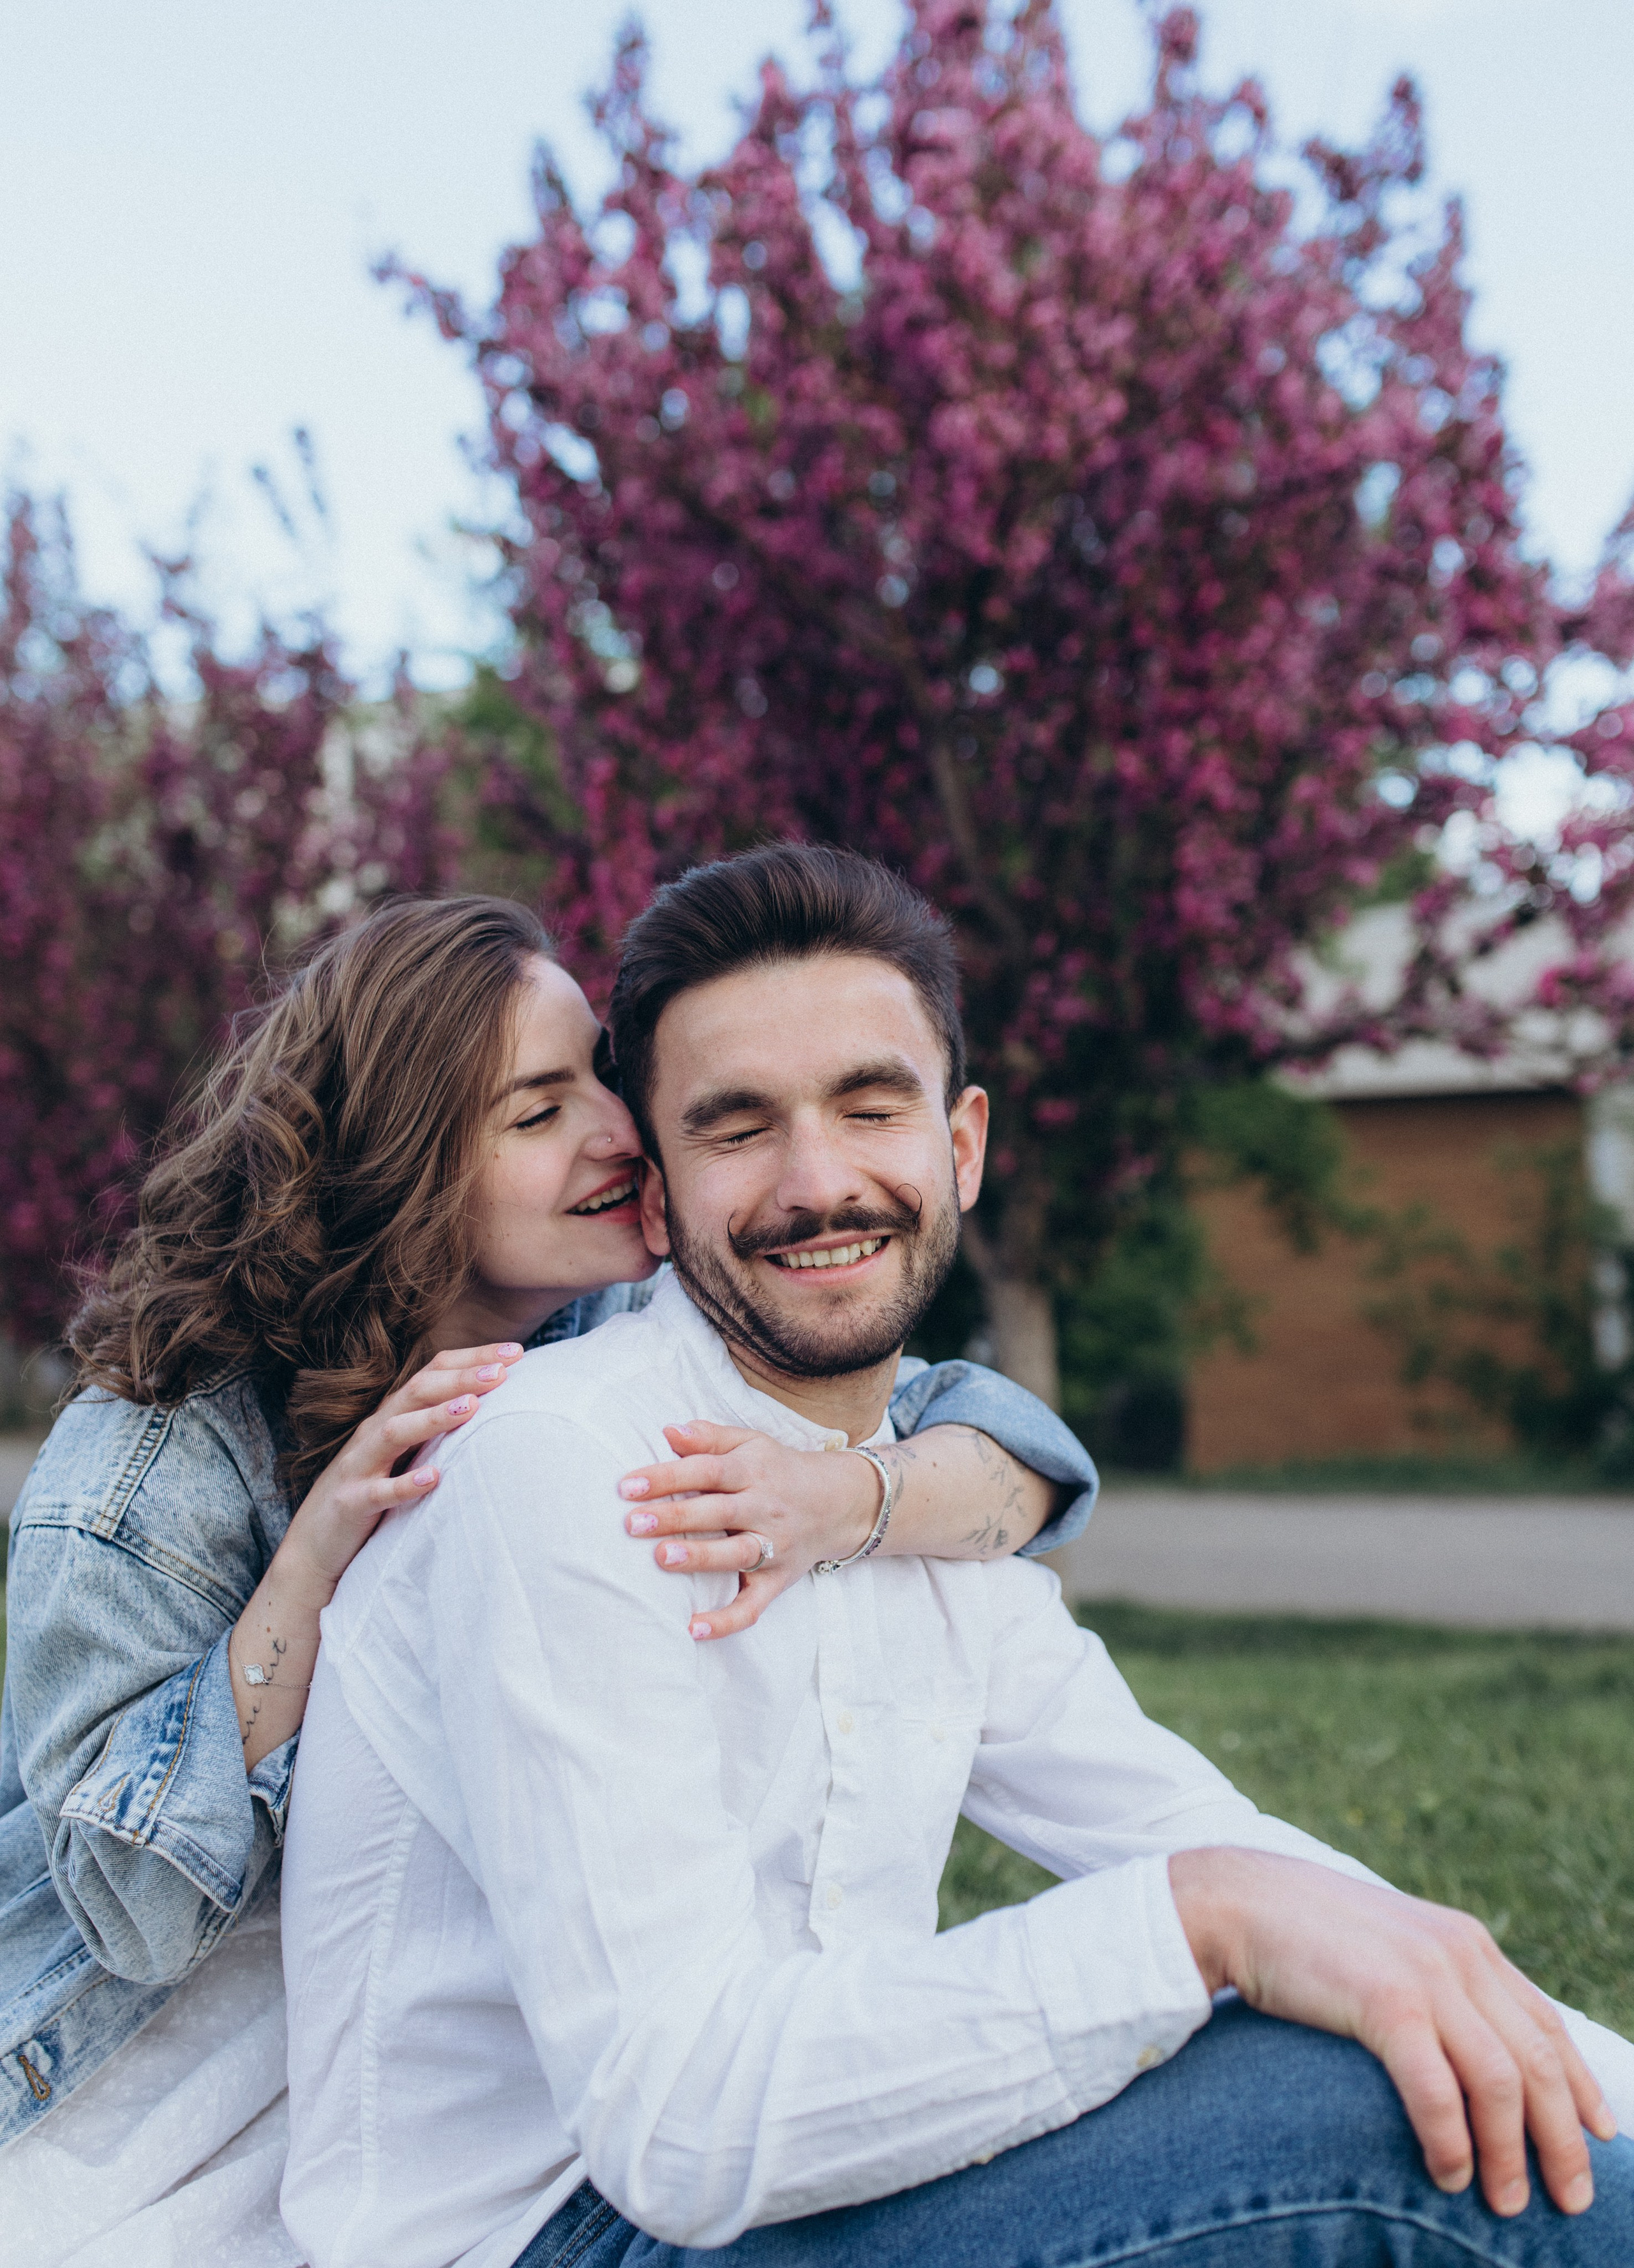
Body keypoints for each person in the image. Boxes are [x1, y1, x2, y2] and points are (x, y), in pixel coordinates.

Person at [282, 844, 1634, 2268]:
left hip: (801, 2183)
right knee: (1366, 2134)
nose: (816, 1183)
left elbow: (1218, 1839)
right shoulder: (559, 1463)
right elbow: (674, 2123)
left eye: (870, 1106)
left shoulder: (911, 1505)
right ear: (658, 1196)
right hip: (541, 2233)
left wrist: (1402, 1965)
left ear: (962, 1146)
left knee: (1408, 2054)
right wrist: (1204, 1924)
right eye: (736, 1128)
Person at [0, 893, 1095, 2266]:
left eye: (601, 1073)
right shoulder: (152, 1451)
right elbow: (133, 1913)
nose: (617, 1130)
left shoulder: (611, 1333)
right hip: (132, 2101)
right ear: (400, 1167)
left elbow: (1008, 1445)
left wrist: (839, 1498)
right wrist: (314, 1563)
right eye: (536, 1113)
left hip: (425, 2086)